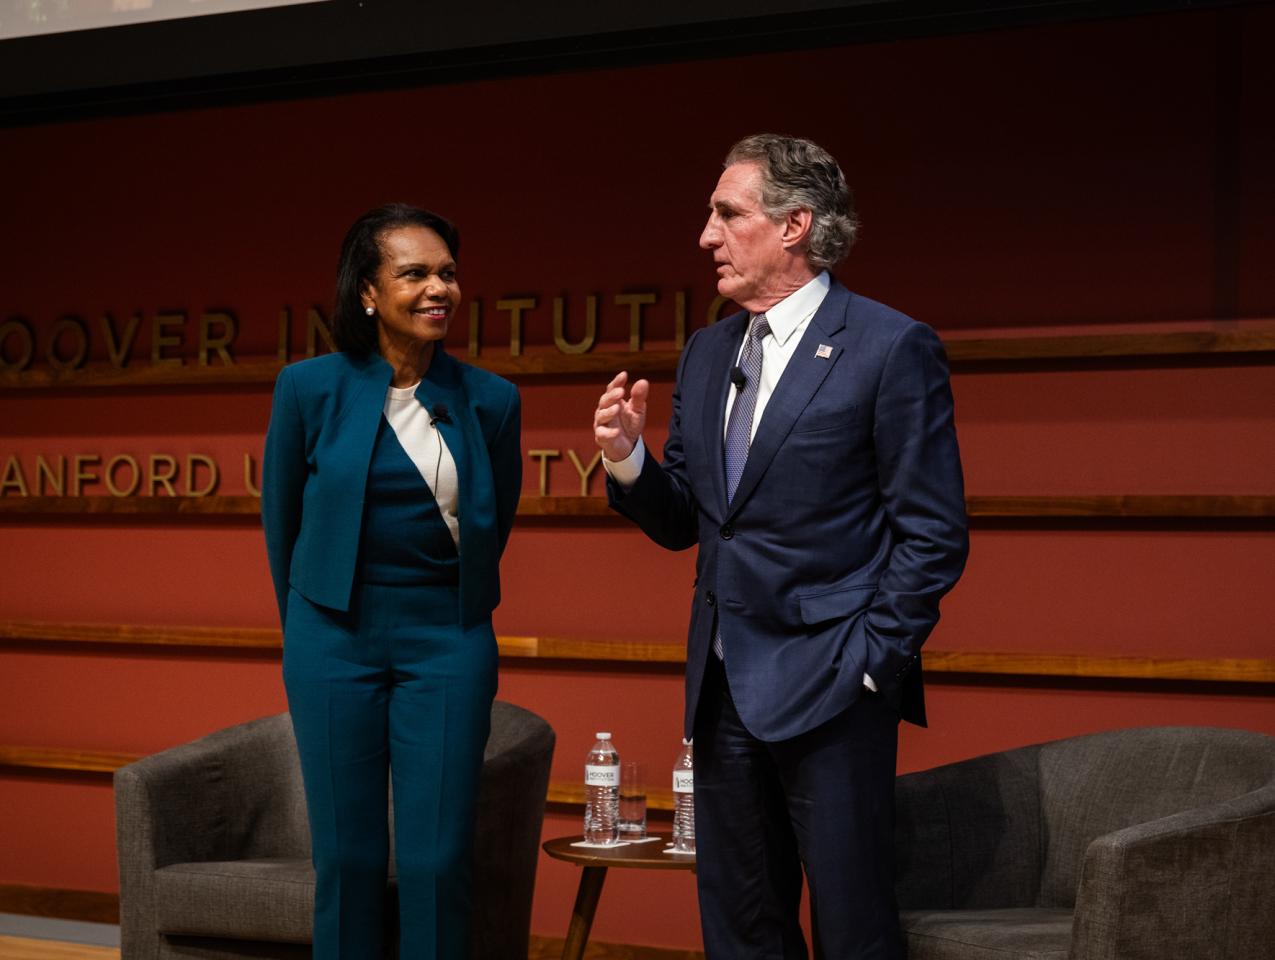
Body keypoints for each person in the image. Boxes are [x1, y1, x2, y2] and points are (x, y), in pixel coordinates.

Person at [593, 135, 968, 958]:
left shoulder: (887, 346)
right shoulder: (707, 350)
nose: (705, 235)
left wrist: (873, 663)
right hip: (724, 689)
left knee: (850, 927)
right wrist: (626, 457)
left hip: (835, 690)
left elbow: (932, 533)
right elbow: (683, 519)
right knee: (741, 928)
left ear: (795, 225)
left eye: (727, 214)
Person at [262, 203, 521, 959]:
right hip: (331, 638)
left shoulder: (492, 400)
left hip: (447, 638)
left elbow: (490, 524)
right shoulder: (307, 389)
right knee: (346, 858)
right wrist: (307, 632)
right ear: (367, 292)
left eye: (446, 273)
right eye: (414, 273)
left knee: (436, 860)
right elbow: (283, 527)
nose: (438, 287)